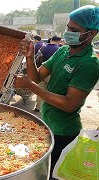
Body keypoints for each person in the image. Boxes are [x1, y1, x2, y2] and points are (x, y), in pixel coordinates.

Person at [14, 5, 99, 179]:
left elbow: (69, 105)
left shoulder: (89, 64)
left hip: (64, 133)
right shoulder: (62, 51)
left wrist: (31, 87)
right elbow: (36, 77)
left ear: (91, 34)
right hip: (46, 124)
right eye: (68, 27)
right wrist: (29, 57)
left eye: (74, 30)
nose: (68, 32)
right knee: (42, 172)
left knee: (53, 175)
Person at [33, 36, 62, 112]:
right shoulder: (59, 50)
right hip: (52, 74)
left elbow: (36, 58)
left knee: (40, 91)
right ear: (59, 41)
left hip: (41, 72)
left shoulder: (43, 47)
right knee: (52, 92)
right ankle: (50, 109)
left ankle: (38, 108)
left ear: (51, 40)